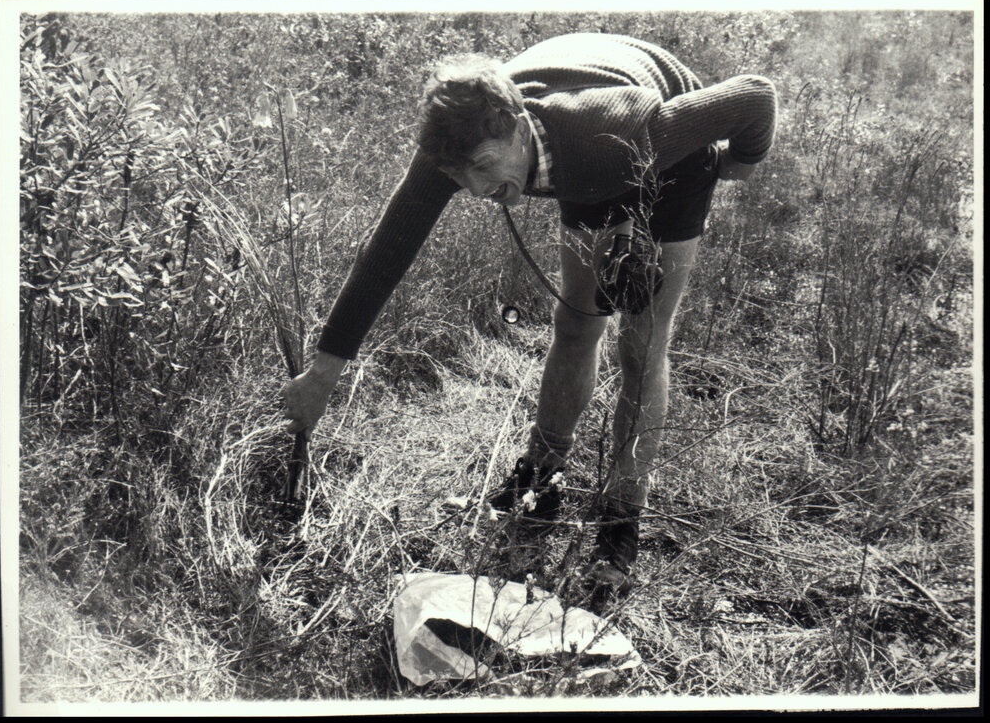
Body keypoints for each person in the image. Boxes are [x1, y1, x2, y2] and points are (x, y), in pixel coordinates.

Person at [283, 32, 777, 598]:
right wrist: (324, 373)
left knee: (640, 346)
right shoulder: (459, 141)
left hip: (666, 162)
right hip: (582, 162)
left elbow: (755, 96)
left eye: (485, 168)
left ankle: (621, 521)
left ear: (516, 125)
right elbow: (386, 253)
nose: (474, 189)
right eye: (461, 176)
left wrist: (739, 163)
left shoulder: (606, 135)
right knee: (575, 325)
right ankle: (540, 482)